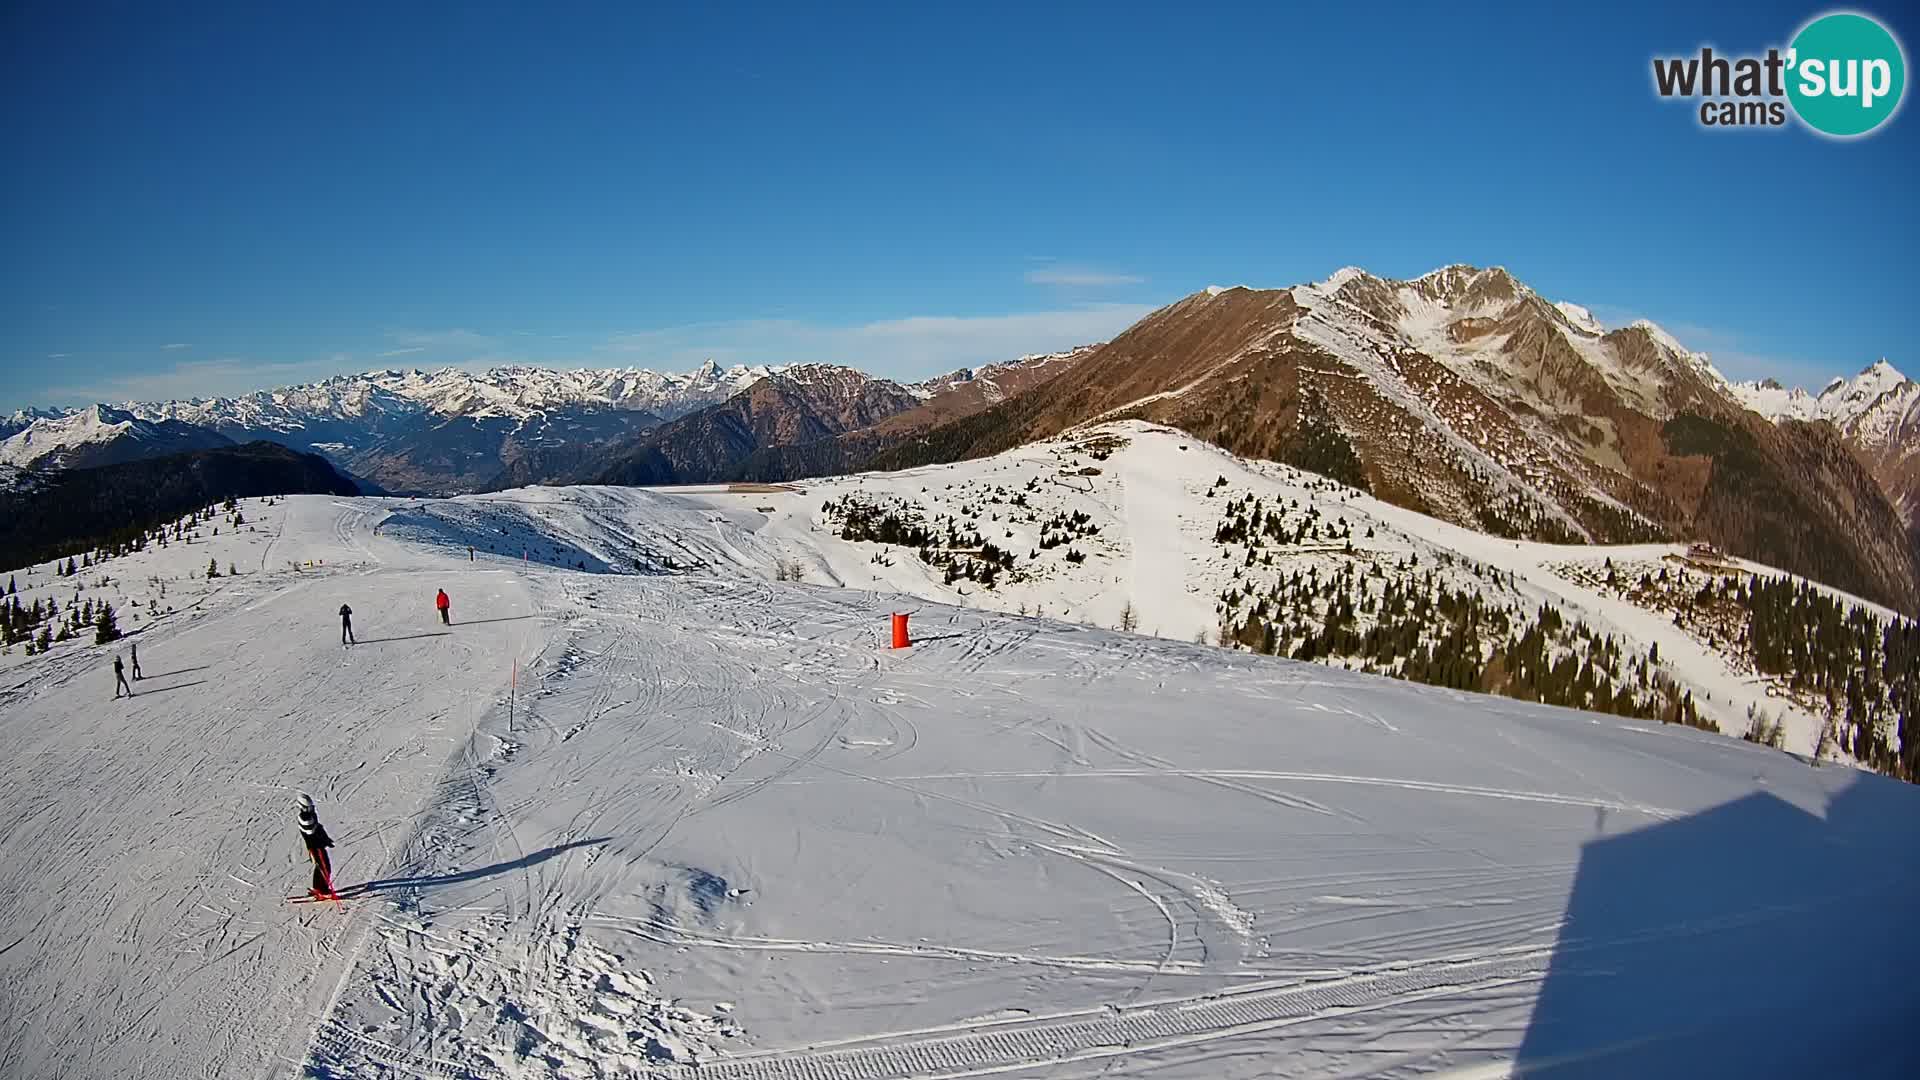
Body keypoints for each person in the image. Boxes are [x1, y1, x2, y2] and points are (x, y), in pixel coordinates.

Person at [296, 794, 336, 898]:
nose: (311, 808)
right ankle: (320, 889)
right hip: (315, 847)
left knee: (323, 866)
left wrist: (325, 839)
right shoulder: (305, 817)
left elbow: (318, 829)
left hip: (318, 845)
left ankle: (320, 888)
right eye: (307, 807)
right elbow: (312, 832)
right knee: (323, 866)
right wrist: (322, 840)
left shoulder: (310, 814)